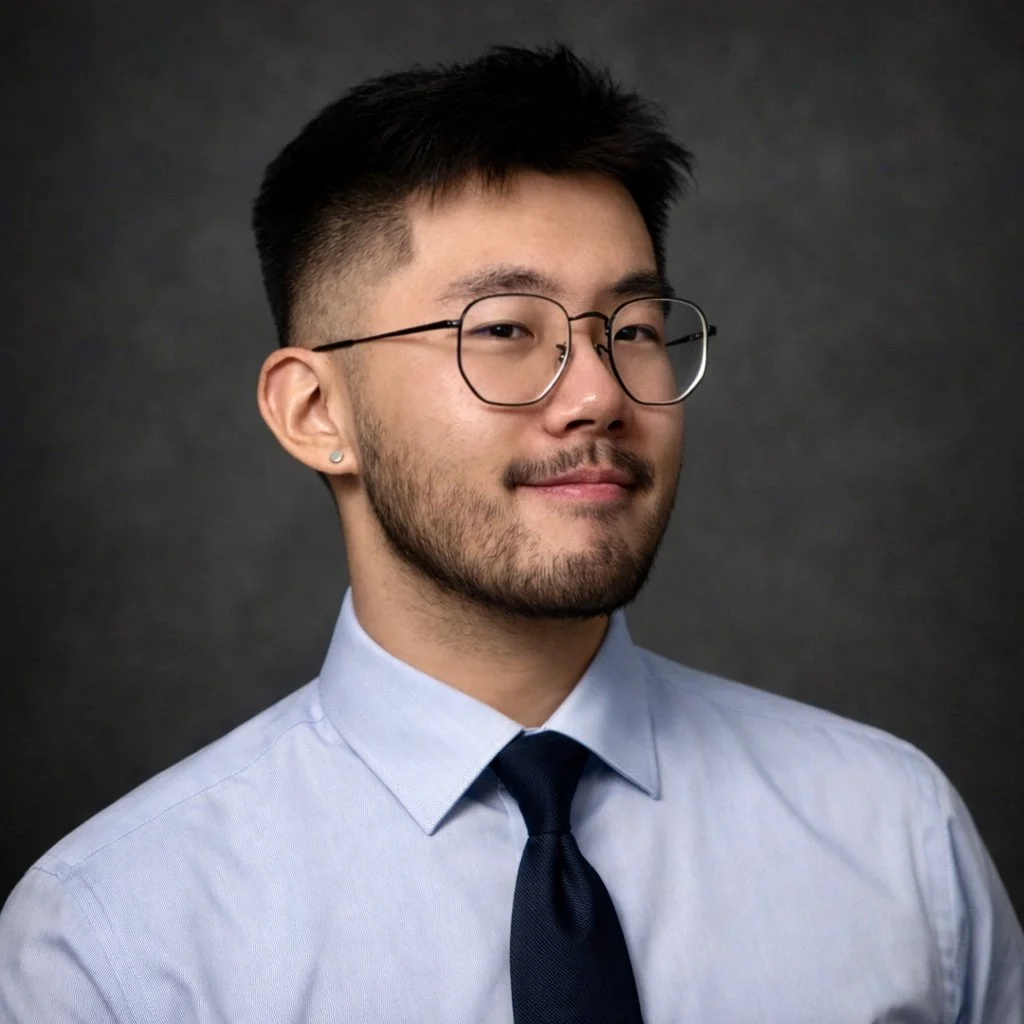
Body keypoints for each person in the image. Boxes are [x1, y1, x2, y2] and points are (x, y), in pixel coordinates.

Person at [1, 43, 1021, 1024]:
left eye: (630, 330)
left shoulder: (892, 835)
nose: (595, 396)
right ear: (316, 411)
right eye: (501, 329)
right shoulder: (114, 933)